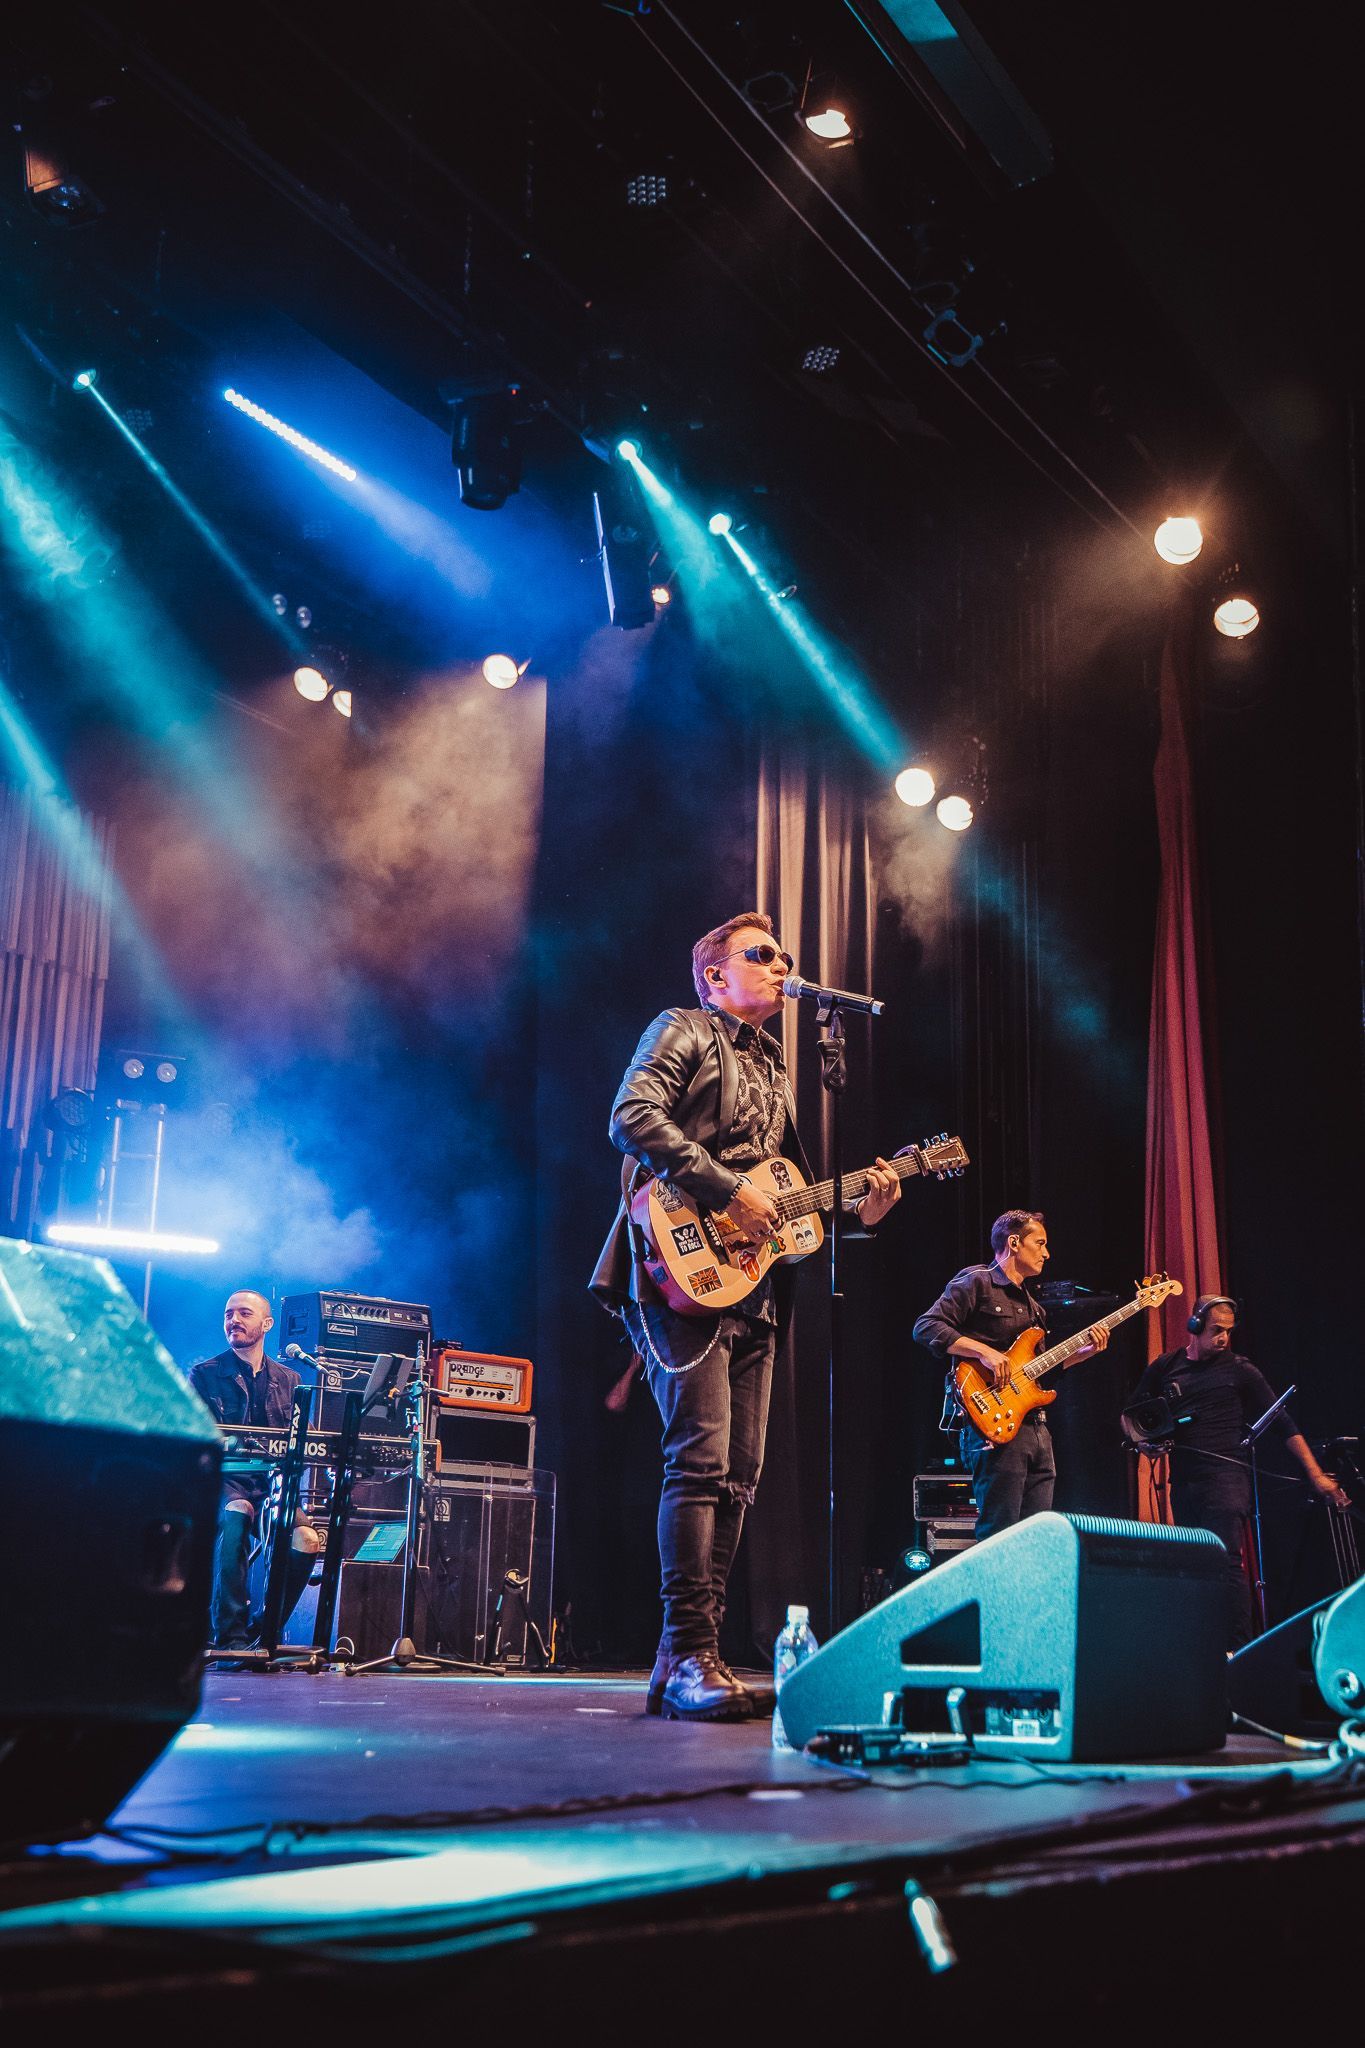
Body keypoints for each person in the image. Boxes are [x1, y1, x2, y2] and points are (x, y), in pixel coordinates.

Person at [590, 912, 901, 1721]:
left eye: (783, 956)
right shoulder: (684, 1028)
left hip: (751, 1289)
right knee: (699, 1463)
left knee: (737, 1475)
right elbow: (631, 1116)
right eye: (761, 955)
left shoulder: (772, 1064)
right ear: (714, 976)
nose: (780, 965)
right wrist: (728, 1190)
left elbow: (781, 1207)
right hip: (676, 1270)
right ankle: (689, 1650)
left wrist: (857, 1210)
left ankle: (685, 1657)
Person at [1127, 1295, 1347, 1649]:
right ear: (1195, 1325)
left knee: (1226, 1561)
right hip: (1183, 1481)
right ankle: (1202, 1649)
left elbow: (1284, 1425)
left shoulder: (1239, 1370)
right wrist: (1142, 1443)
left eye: (1228, 1331)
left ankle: (1237, 1650)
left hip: (1226, 1480)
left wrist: (1316, 1474)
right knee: (1193, 1563)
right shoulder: (1167, 1366)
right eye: (1216, 1330)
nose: (1223, 1338)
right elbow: (1130, 1415)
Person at [912, 1209, 1110, 1543]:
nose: (1047, 1253)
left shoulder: (1036, 1308)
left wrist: (1083, 1353)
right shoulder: (978, 1281)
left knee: (1034, 1537)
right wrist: (983, 1352)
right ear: (1014, 1243)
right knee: (999, 1534)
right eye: (1040, 1243)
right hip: (993, 1425)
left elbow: (1039, 1375)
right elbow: (926, 1327)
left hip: (1036, 1429)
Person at [188, 1289, 322, 1650]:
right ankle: (230, 1636)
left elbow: (301, 1437)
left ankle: (264, 1632)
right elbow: (198, 1437)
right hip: (223, 1483)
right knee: (239, 1509)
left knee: (307, 1539)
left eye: (244, 1313)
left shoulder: (289, 1379)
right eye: (228, 1314)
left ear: (266, 1324)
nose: (234, 1320)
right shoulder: (205, 1374)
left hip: (270, 1485)